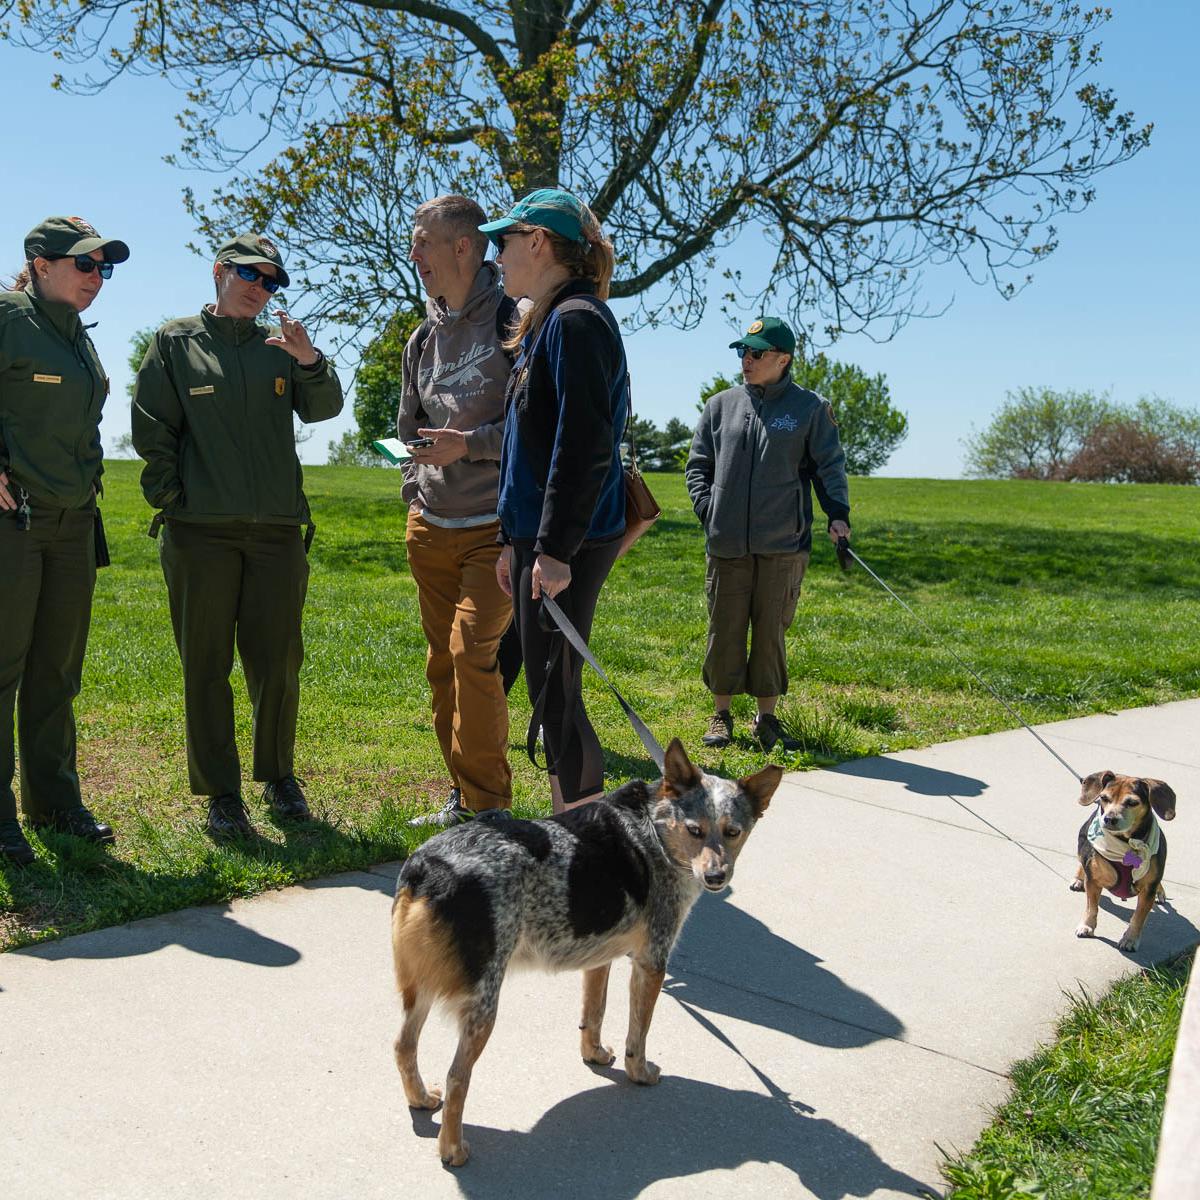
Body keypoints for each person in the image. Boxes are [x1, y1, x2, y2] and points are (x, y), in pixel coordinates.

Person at [132, 234, 343, 840]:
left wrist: (309, 360)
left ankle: (278, 777)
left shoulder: (279, 349)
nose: (261, 288)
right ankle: (221, 794)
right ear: (221, 272)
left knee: (278, 662)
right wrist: (175, 500)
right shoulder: (176, 342)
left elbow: (325, 409)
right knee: (205, 664)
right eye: (251, 274)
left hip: (277, 530)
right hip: (200, 533)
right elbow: (152, 427)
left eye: (272, 281)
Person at [479, 188, 628, 814]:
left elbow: (585, 441)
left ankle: (583, 840)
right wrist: (512, 542)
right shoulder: (553, 321)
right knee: (551, 687)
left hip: (562, 542)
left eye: (502, 242)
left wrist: (555, 549)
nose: (497, 257)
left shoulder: (575, 321)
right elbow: (532, 449)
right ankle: (576, 831)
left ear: (538, 242)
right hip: (537, 539)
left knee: (556, 692)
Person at [0, 216, 129, 865]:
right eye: (84, 264)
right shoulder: (7, 316)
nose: (96, 278)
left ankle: (53, 802)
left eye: (103, 268)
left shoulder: (79, 336)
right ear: (41, 262)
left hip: (75, 521)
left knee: (56, 672)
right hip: (13, 521)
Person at [399, 195, 519, 828]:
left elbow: (535, 429)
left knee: (472, 652)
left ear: (464, 246)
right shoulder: (422, 337)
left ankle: (490, 808)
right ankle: (460, 795)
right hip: (431, 527)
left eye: (423, 241)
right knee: (442, 664)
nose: (414, 253)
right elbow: (409, 425)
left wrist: (467, 446)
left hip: (491, 530)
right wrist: (412, 489)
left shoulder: (513, 321)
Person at [686, 316, 851, 751]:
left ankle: (767, 718)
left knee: (770, 632)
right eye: (743, 351)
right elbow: (697, 466)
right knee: (724, 629)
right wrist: (710, 510)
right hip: (726, 545)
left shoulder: (810, 409)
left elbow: (829, 467)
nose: (747, 360)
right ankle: (721, 715)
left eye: (756, 353)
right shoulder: (719, 406)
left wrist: (838, 514)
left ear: (784, 359)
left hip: (783, 546)